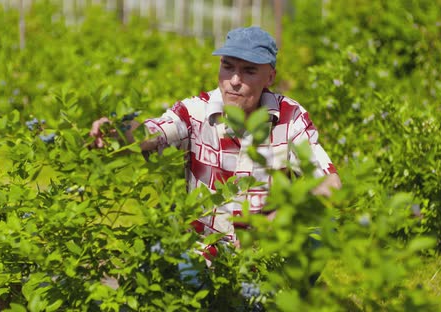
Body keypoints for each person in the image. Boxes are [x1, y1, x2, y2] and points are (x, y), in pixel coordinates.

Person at [90, 26, 341, 260]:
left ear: (270, 77)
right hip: (203, 252)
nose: (234, 80)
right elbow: (151, 133)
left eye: (249, 71)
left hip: (267, 254)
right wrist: (117, 130)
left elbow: (330, 184)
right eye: (227, 66)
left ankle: (284, 301)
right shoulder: (196, 111)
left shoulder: (290, 116)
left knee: (321, 230)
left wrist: (278, 220)